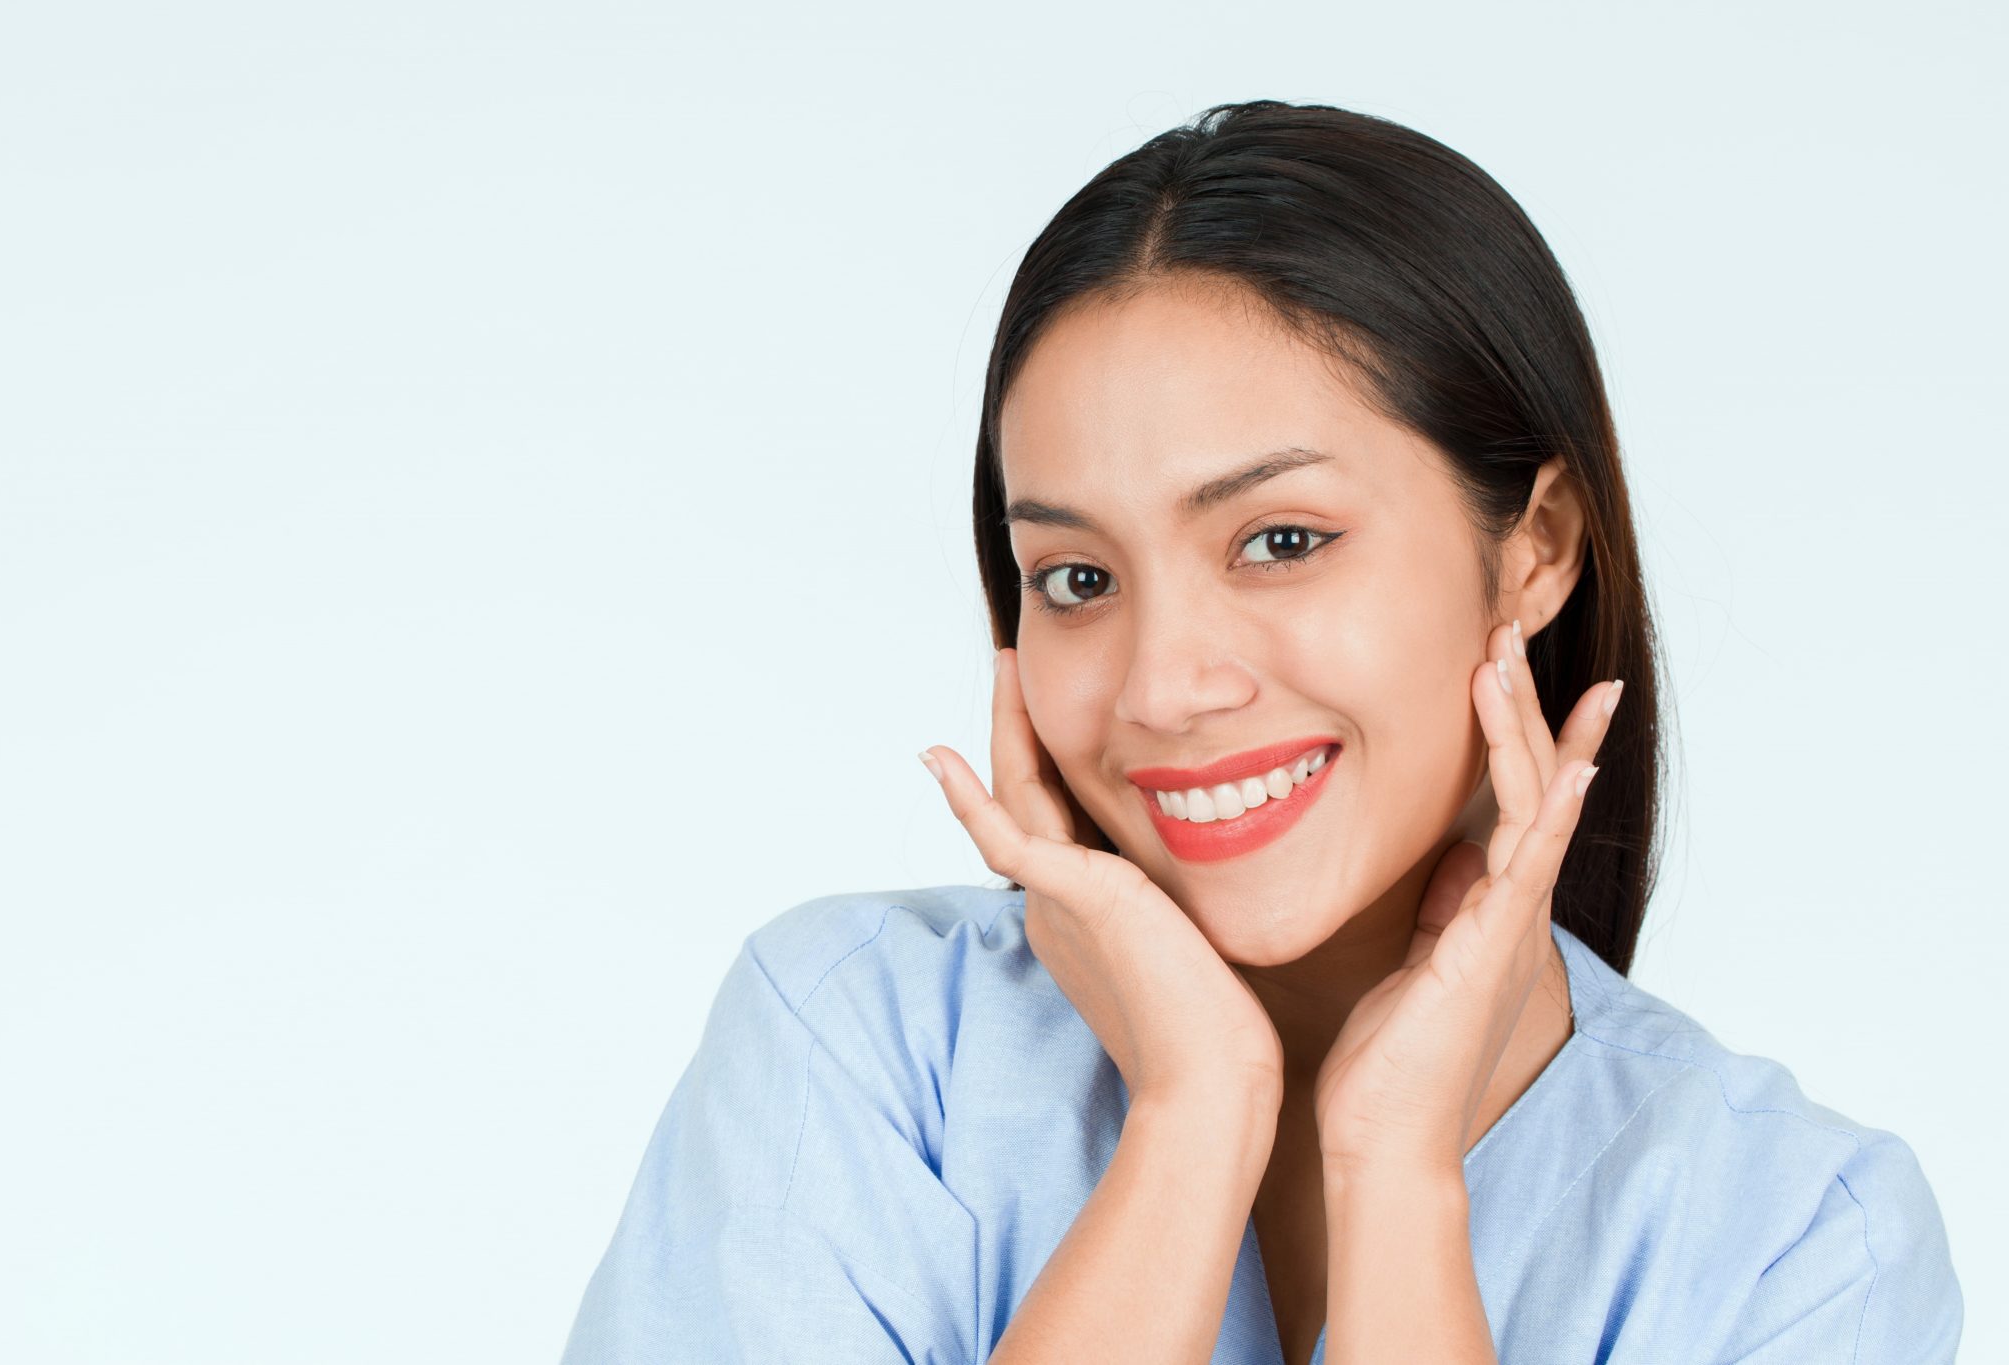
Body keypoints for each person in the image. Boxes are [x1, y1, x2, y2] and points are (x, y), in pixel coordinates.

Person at [557, 100, 1962, 1364]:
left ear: (1534, 548)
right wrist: (1190, 1119)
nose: (1163, 684)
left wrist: (1398, 1175)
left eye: (1280, 539)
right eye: (1078, 578)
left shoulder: (1797, 1246)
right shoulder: (856, 1051)